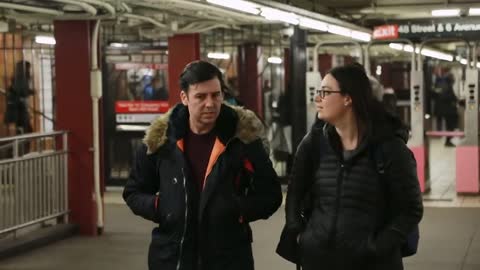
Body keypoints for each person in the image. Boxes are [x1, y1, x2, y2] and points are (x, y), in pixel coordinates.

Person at [123, 60, 282, 270]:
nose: (210, 103)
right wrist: (161, 208)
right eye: (200, 96)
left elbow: (271, 195)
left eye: (216, 95)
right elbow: (134, 192)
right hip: (172, 257)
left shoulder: (243, 139)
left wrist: (236, 209)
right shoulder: (161, 140)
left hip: (229, 257)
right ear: (184, 98)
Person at [279, 63, 423, 270]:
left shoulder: (390, 148)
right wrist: (301, 235)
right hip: (318, 259)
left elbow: (411, 209)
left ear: (348, 98)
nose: (317, 98)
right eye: (318, 91)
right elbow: (294, 194)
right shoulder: (314, 143)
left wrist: (376, 248)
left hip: (372, 263)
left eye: (326, 92)